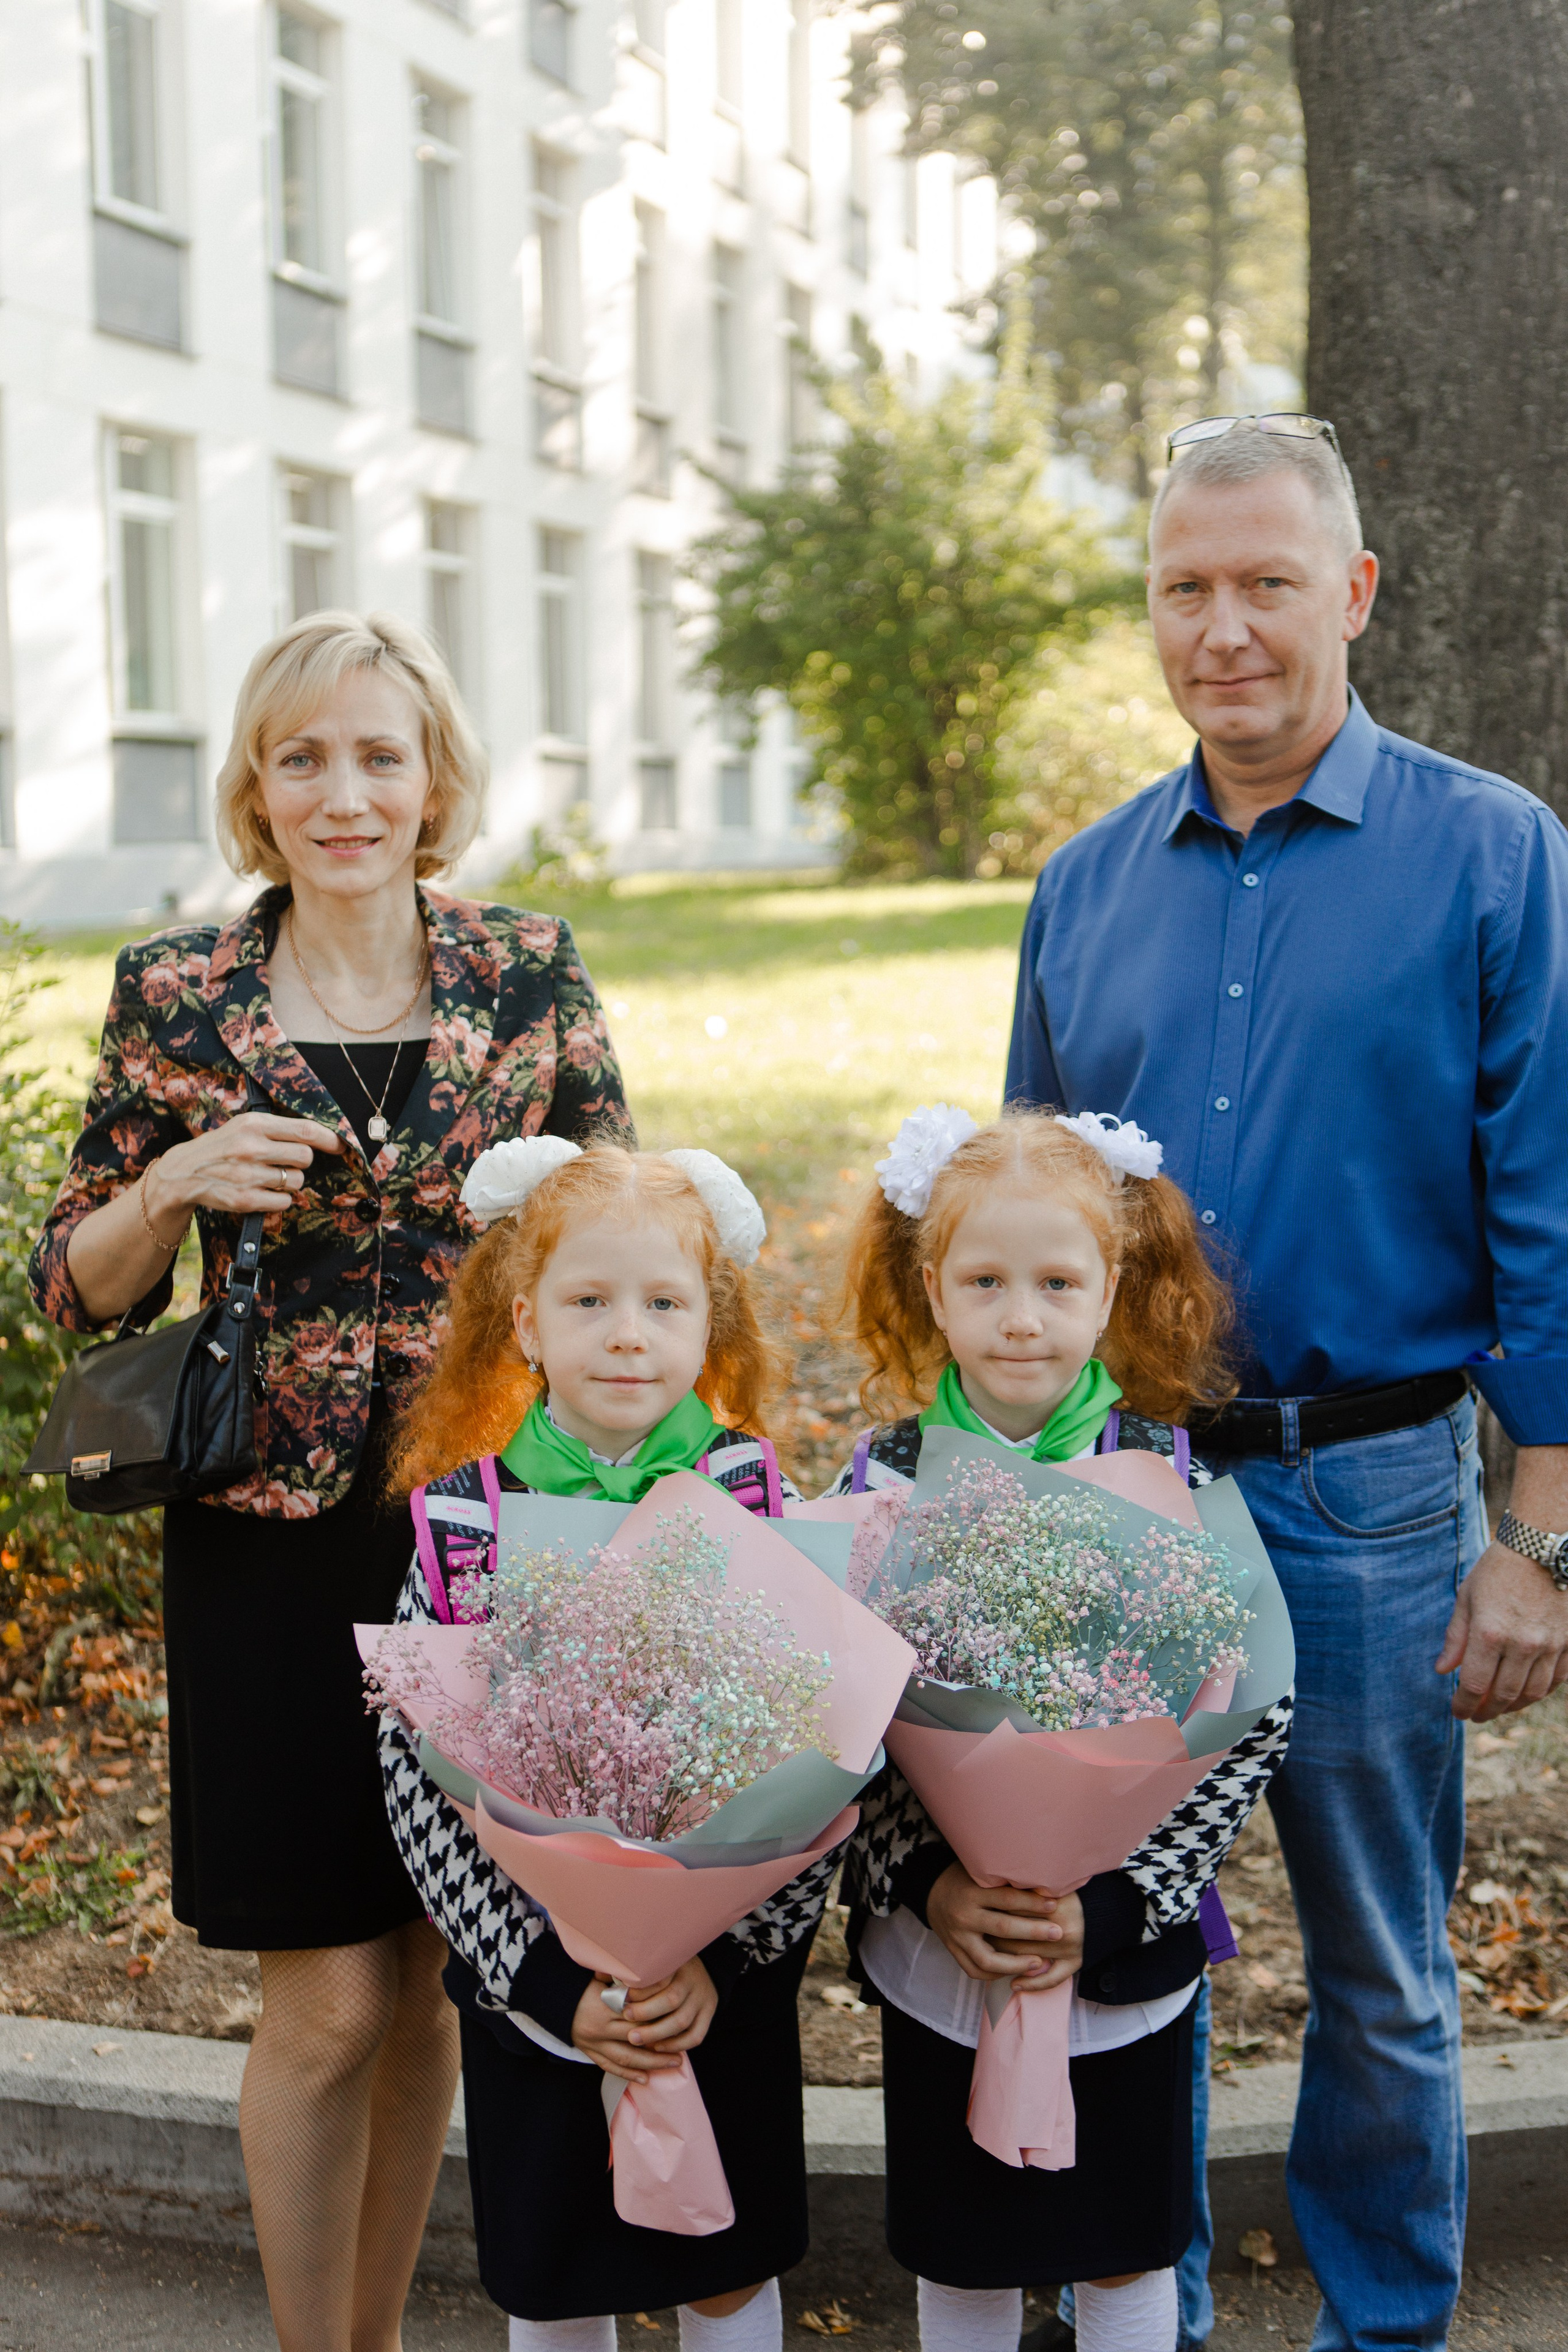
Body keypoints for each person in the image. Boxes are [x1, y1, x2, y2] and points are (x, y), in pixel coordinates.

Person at [1005, 416, 1568, 2352]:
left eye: (1265, 583)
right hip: (1130, 1492)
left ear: (1354, 594)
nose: (1223, 628)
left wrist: (1541, 1540)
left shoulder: (1495, 854)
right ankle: (1135, 2310)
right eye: (1185, 587)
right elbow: (1022, 1220)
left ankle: (1384, 2332)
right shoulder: (1082, 888)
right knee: (1123, 1954)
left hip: (1380, 1503)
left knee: (1381, 1972)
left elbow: (1554, 1206)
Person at [26, 612, 629, 2352]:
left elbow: (628, 1230)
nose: (344, 792)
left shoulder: (527, 970)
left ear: (433, 777)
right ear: (257, 787)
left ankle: (371, 2334)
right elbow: (75, 1285)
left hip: (487, 1530)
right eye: (305, 759)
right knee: (328, 2008)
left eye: (380, 755)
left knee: (437, 1979)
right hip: (267, 1554)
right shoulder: (179, 994)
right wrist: (179, 1184)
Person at [824, 1107, 1292, 2352]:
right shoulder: (874, 1485)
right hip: (945, 1954)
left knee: (1126, 2251)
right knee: (960, 2257)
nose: (1018, 1316)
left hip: (1122, 1953)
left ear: (1110, 1291)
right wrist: (923, 1887)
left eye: (1053, 1282)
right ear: (932, 1290)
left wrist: (1114, 1901)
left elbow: (1244, 1720)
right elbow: (826, 1727)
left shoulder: (1172, 1477)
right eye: (983, 1282)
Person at [377, 1137, 832, 2352]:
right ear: (524, 1321)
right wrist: (545, 1982)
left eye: (662, 1303)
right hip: (539, 1992)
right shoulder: (469, 1525)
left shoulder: (756, 1504)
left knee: (722, 2268)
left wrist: (721, 1966)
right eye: (589, 1302)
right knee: (557, 2276)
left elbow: (820, 1751)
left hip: (714, 1993)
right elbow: (419, 1781)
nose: (627, 1333)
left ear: (706, 1326)